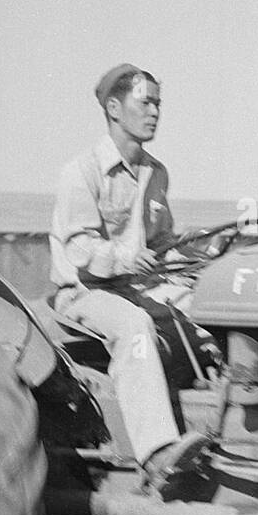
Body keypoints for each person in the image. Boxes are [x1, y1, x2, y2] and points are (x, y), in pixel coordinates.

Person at [49, 63, 208, 492]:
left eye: (158, 103)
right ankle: (157, 454)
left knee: (204, 309)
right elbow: (78, 250)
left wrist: (198, 254)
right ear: (114, 108)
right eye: (146, 102)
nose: (155, 111)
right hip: (85, 292)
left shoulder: (156, 172)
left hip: (137, 286)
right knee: (135, 327)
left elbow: (161, 244)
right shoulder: (80, 173)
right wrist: (123, 258)